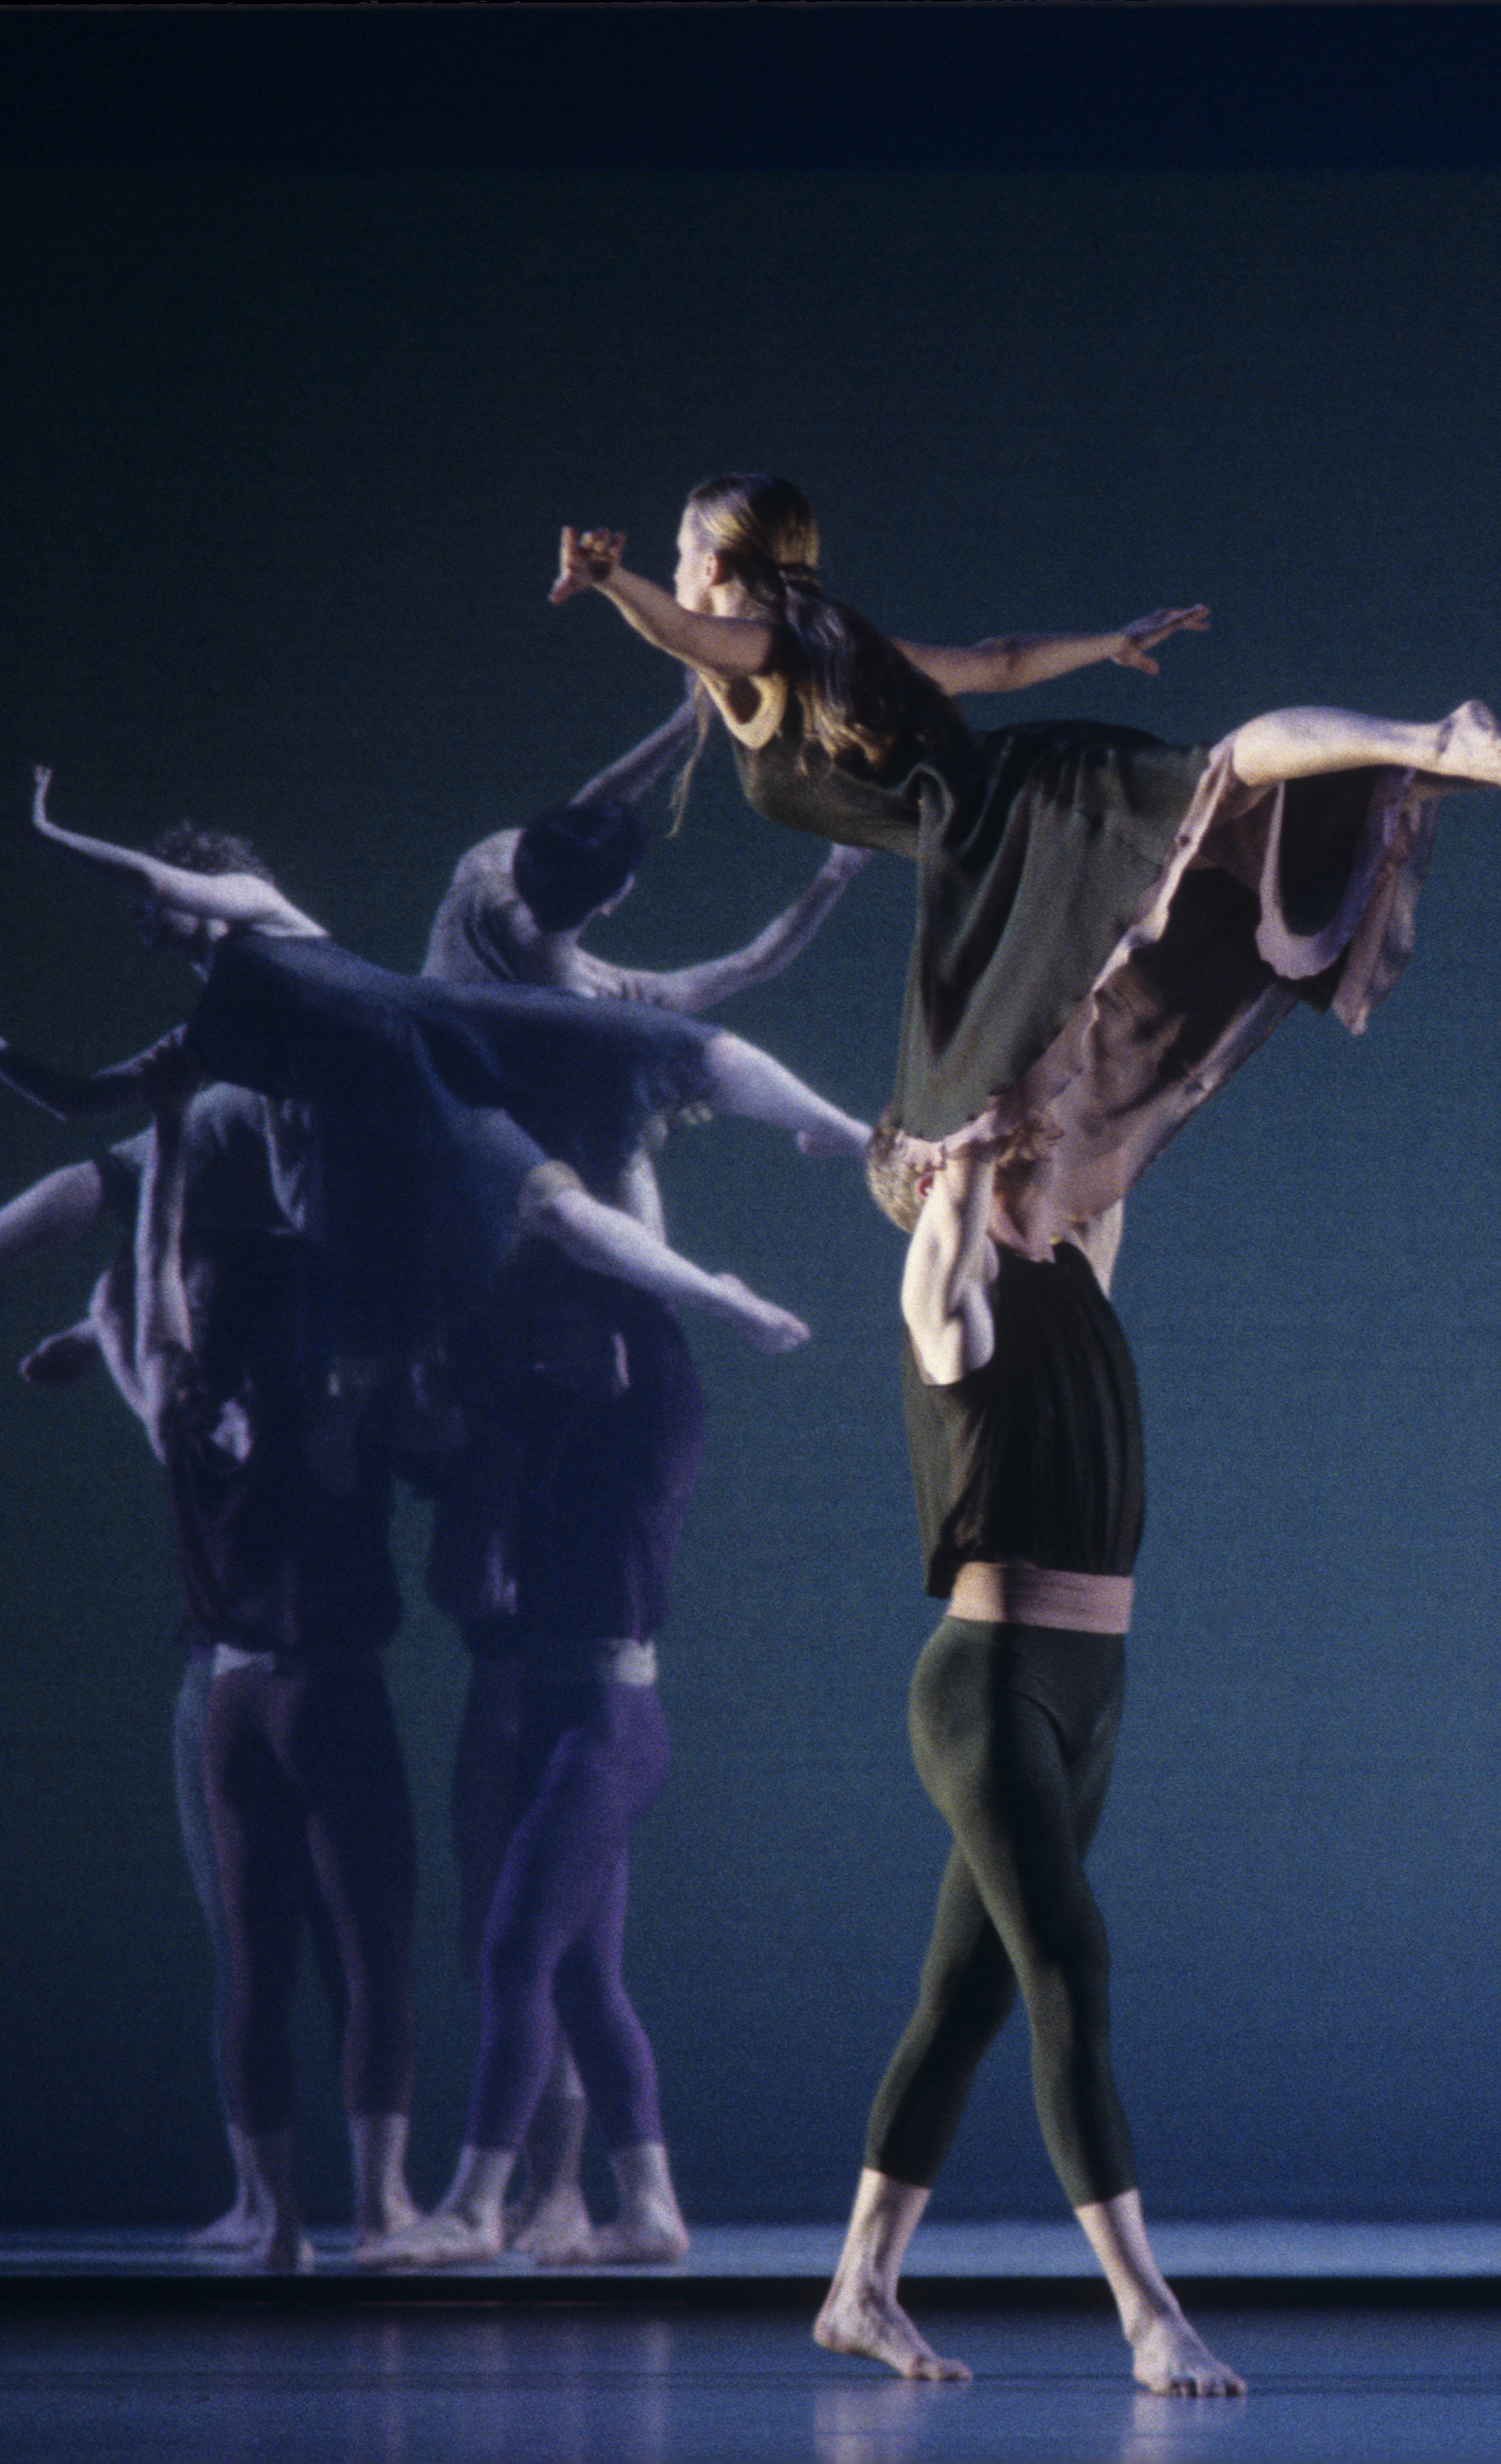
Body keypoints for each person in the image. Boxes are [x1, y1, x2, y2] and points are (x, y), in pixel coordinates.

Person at [552, 472, 1501, 1251]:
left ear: (716, 565)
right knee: (1242, 794)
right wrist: (1112, 640)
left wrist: (614, 587)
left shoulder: (760, 647)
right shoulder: (829, 650)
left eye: (680, 552)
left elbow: (681, 626)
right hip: (1008, 838)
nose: (677, 580)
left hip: (1015, 842)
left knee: (1225, 789)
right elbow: (989, 660)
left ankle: (1437, 735)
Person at [365, 790, 855, 2270]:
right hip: (550, 1703)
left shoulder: (643, 1404)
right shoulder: (535, 1416)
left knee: (522, 1954)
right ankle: (648, 2205)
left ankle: (474, 2207)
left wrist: (718, 1295)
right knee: (579, 1976)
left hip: (605, 1722)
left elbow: (600, 1226)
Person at [0, 1081, 335, 2255]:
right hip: (278, 1650)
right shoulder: (264, 1219)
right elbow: (104, 1231)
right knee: (303, 1938)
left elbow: (121, 1265)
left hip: (254, 1660)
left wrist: (36, 1314)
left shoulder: (257, 1123)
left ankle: (297, 2201)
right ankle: (320, 2198)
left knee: (284, 1941)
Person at [0, 767, 853, 1393]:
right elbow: (83, 1100)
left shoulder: (263, 915)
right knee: (556, 1214)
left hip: (436, 1032)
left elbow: (148, 871)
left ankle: (838, 1135)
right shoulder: (205, 1039)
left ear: (201, 885)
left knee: (667, 1048)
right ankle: (719, 1293)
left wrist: (46, 832)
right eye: (140, 912)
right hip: (399, 1114)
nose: (144, 917)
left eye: (154, 903)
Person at [811, 1133, 1237, 2397]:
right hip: (989, 1686)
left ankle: (856, 2288)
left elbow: (1121, 1131)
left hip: (1088, 1689)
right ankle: (1148, 2311)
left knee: (968, 1999)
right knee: (1070, 1959)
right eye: (978, 1152)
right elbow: (956, 1193)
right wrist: (965, 1132)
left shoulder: (1073, 1271)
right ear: (934, 1182)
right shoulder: (943, 1302)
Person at [86, 1022, 416, 2271]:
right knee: (372, 1950)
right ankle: (381, 2209)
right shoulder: (327, 1401)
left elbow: (147, 1272)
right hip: (329, 1696)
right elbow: (351, 1272)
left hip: (229, 1705)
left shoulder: (172, 1394)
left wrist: (170, 1129)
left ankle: (271, 2217)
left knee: (255, 1961)